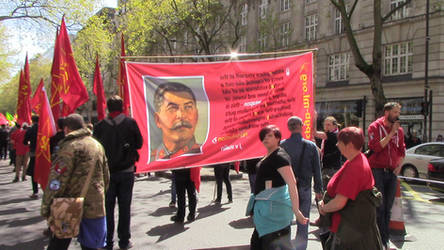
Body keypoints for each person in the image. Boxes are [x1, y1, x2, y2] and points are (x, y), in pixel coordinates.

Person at [41, 114, 109, 250]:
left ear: (66, 129)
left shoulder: (69, 147)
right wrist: (100, 193)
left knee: (59, 244)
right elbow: (106, 176)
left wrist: (47, 206)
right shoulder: (97, 145)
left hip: (68, 205)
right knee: (91, 246)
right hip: (94, 205)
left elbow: (57, 180)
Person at [319, 127, 383, 250]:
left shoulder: (355, 167)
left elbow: (339, 202)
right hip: (351, 227)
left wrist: (324, 208)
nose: (337, 144)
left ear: (349, 145)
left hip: (349, 230)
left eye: (340, 142)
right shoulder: (356, 160)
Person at [93, 95, 143, 250]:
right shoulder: (130, 123)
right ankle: (124, 241)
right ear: (122, 107)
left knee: (107, 208)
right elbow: (140, 144)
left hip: (106, 173)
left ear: (108, 108)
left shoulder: (100, 126)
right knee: (124, 207)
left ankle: (107, 241)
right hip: (127, 172)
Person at [248, 125, 308, 250]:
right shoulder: (270, 155)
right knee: (259, 244)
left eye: (270, 135)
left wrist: (297, 211)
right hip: (267, 211)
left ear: (278, 138)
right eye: (263, 136)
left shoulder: (280, 156)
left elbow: (291, 183)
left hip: (274, 212)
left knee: (271, 245)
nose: (265, 138)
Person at [367, 102, 406, 250]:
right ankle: (380, 241)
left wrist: (399, 165)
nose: (397, 115)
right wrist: (391, 134)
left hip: (391, 172)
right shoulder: (375, 127)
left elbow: (402, 150)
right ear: (387, 112)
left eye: (398, 112)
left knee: (388, 208)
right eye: (395, 112)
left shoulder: (400, 131)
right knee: (380, 207)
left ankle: (385, 240)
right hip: (377, 170)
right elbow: (376, 147)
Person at [281, 116, 322, 250]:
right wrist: (318, 189)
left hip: (286, 188)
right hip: (304, 186)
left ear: (288, 128)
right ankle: (301, 247)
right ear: (301, 126)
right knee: (303, 220)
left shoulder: (282, 145)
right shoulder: (311, 146)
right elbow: (317, 170)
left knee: (285, 220)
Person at [151, 82, 201, 160]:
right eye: (172, 109)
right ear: (158, 120)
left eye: (188, 107)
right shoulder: (151, 160)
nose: (181, 115)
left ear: (197, 115)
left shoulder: (207, 155)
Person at [313, 116, 342, 191]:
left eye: (328, 125)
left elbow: (314, 133)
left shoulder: (333, 135)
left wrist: (314, 118)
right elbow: (322, 153)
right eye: (325, 124)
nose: (326, 126)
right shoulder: (332, 135)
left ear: (334, 125)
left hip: (331, 169)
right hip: (329, 167)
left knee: (327, 191)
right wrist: (314, 145)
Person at [23, 115, 39, 199]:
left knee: (34, 172)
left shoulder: (31, 129)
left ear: (32, 121)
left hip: (34, 152)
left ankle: (35, 191)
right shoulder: (44, 128)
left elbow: (25, 141)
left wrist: (29, 143)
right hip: (44, 152)